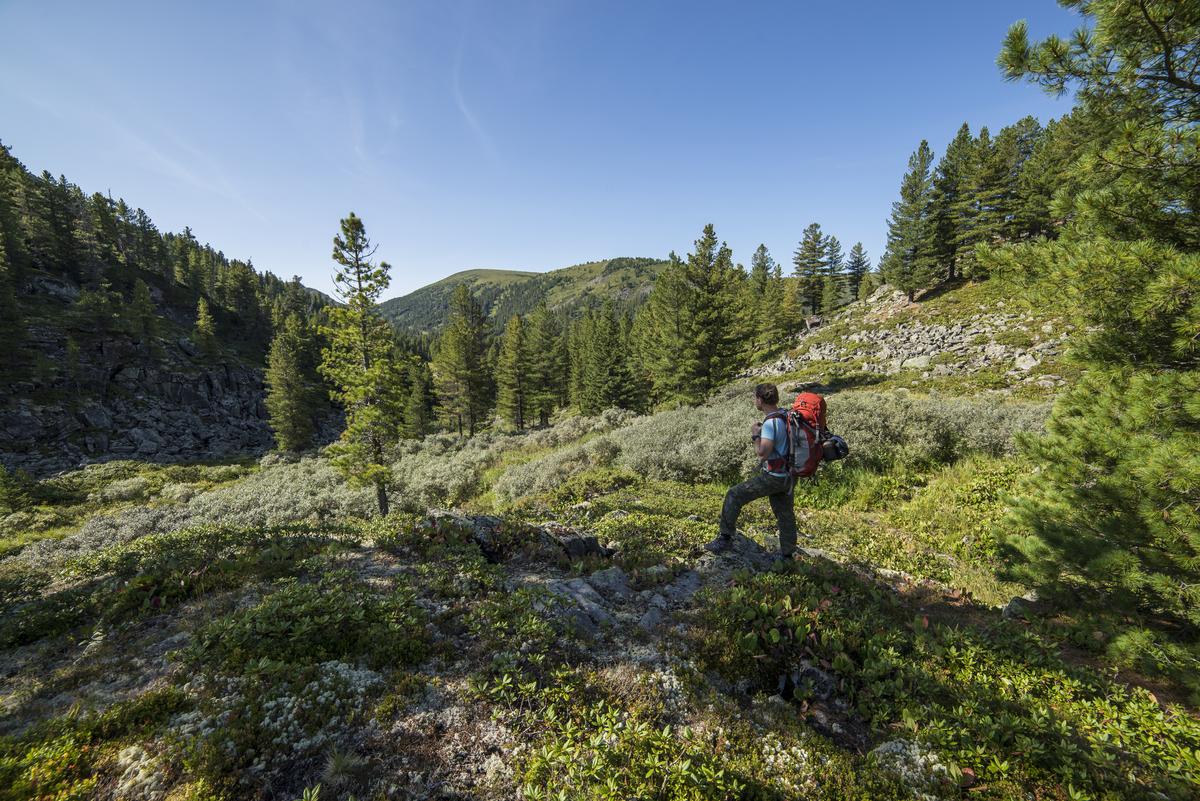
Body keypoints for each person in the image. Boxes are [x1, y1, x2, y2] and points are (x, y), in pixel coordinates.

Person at [704, 382, 798, 565]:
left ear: (760, 400)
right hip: (789, 476)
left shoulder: (770, 422)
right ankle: (788, 556)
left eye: (756, 397)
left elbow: (763, 453)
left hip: (773, 477)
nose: (755, 401)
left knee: (734, 494)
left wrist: (755, 434)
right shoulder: (785, 415)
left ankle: (725, 539)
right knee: (785, 514)